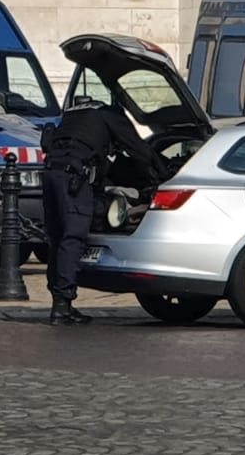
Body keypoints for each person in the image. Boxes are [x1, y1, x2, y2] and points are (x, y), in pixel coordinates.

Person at [41, 96, 163, 326]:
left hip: (50, 174)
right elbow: (137, 149)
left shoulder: (74, 114)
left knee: (57, 238)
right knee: (73, 238)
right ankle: (62, 306)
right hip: (74, 178)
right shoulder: (110, 115)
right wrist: (161, 174)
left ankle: (59, 301)